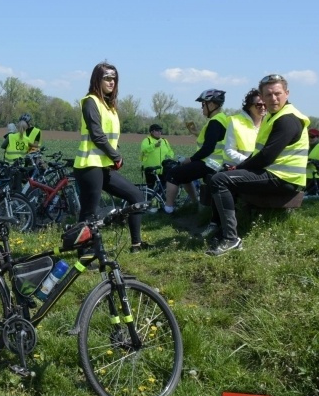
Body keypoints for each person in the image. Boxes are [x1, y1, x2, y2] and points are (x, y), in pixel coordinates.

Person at [206, 74, 310, 256]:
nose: (273, 98)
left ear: (287, 93)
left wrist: (239, 168)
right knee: (222, 175)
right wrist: (237, 168)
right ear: (262, 96)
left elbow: (266, 157)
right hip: (274, 174)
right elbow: (261, 156)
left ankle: (231, 239)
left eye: (278, 93)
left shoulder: (287, 119)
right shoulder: (274, 116)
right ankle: (219, 229)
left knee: (219, 180)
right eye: (268, 95)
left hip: (283, 179)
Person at [72, 62, 149, 253]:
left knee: (136, 197)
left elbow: (110, 136)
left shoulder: (109, 106)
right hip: (89, 165)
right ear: (97, 79)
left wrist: (115, 154)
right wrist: (116, 156)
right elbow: (97, 135)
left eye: (114, 78)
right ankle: (84, 253)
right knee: (89, 213)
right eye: (107, 78)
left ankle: (136, 245)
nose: (111, 82)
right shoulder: (90, 101)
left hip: (103, 165)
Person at [200, 89, 266, 239]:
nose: (263, 107)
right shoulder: (236, 121)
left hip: (259, 169)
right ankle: (216, 224)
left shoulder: (269, 123)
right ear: (249, 106)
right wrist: (248, 163)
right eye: (258, 104)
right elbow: (229, 150)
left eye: (265, 105)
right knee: (219, 180)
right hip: (237, 166)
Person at [163, 89, 228, 214]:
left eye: (203, 104)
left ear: (212, 104)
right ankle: (195, 204)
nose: (202, 108)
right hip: (216, 162)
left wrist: (190, 159)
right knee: (185, 175)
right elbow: (214, 139)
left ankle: (168, 209)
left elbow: (208, 148)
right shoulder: (222, 119)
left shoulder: (215, 122)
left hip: (210, 163)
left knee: (172, 174)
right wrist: (196, 133)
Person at [140, 123, 174, 188]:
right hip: (151, 169)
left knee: (163, 187)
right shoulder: (147, 141)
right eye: (157, 131)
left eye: (160, 131)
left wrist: (170, 157)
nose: (159, 132)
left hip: (162, 169)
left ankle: (159, 197)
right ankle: (149, 198)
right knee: (150, 187)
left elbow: (170, 151)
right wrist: (154, 146)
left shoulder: (164, 141)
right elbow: (144, 150)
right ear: (152, 132)